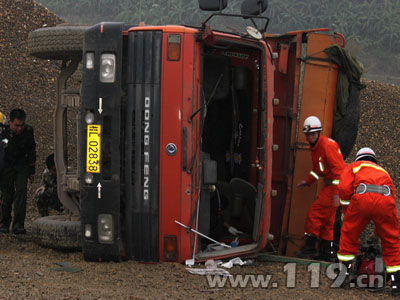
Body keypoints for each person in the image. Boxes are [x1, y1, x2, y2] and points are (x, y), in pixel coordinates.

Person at [337, 147, 400, 294]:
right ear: (374, 160)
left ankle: (343, 276)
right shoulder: (383, 172)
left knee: (348, 235)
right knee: (391, 242)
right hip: (385, 201)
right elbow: (390, 203)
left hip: (362, 198)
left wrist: (346, 211)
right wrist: (378, 232)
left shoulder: (354, 166)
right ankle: (396, 284)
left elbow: (344, 187)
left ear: (359, 158)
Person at [296, 116, 346, 261]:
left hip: (334, 188)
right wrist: (308, 182)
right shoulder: (317, 147)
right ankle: (327, 253)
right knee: (327, 222)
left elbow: (340, 171)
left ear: (319, 133)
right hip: (333, 187)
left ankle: (310, 248)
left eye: (313, 134)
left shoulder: (326, 146)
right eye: (308, 135)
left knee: (314, 214)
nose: (310, 137)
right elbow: (318, 170)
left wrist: (337, 193)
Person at [0, 109, 36, 234]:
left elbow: (32, 150)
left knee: (21, 192)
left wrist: (32, 171)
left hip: (21, 165)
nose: (19, 128)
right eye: (16, 125)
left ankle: (18, 224)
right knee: (6, 194)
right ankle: (4, 222)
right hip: (6, 165)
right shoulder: (3, 132)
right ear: (10, 123)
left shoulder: (28, 131)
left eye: (22, 125)